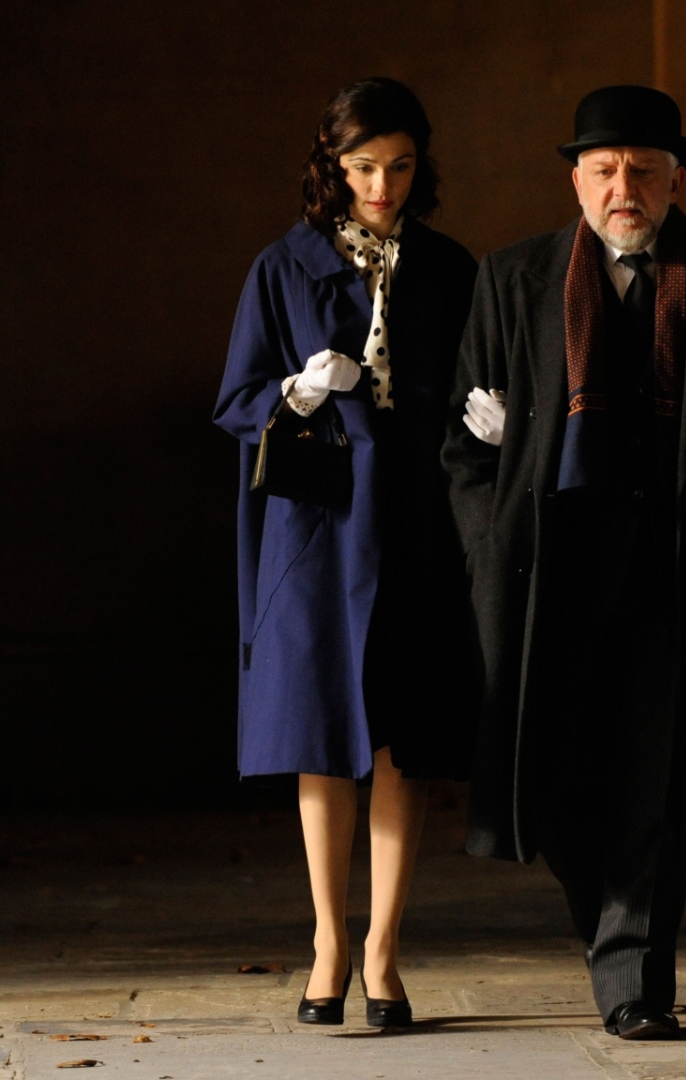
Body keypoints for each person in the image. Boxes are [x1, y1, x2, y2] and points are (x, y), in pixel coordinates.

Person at [443, 85, 686, 1041]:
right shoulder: (512, 277)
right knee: (564, 777)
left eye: (644, 172)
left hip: (678, 565)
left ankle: (636, 980)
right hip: (549, 574)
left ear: (675, 178)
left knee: (654, 776)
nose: (625, 189)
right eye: (606, 171)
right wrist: (493, 545)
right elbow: (467, 444)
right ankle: (611, 944)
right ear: (575, 178)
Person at [213, 77, 478, 1029]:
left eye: (400, 166)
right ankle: (329, 941)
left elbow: (479, 385)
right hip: (319, 528)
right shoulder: (281, 269)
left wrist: (485, 423)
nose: (382, 185)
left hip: (416, 520)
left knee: (404, 739)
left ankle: (385, 949)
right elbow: (235, 401)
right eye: (364, 167)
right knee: (321, 739)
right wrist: (294, 392)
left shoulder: (450, 270)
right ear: (333, 165)